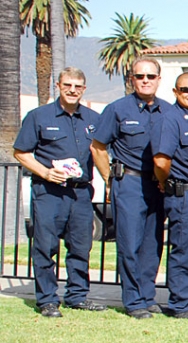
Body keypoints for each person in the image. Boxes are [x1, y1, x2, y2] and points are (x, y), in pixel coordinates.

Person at [14, 67, 106, 318]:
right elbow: (21, 152)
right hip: (49, 191)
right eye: (68, 85)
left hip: (81, 193)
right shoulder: (38, 116)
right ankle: (47, 300)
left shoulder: (93, 119)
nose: (72, 90)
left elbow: (100, 152)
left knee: (80, 246)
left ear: (84, 89)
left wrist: (109, 179)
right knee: (45, 246)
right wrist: (44, 172)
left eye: (77, 86)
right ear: (58, 85)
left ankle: (77, 296)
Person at [91, 57, 171, 319]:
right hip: (130, 183)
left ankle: (147, 296)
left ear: (159, 79)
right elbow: (98, 147)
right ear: (131, 79)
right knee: (129, 242)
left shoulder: (168, 111)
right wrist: (109, 179)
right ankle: (133, 300)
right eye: (140, 76)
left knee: (153, 243)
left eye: (150, 76)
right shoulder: (118, 109)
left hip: (158, 184)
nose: (145, 80)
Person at [152, 72, 188, 320]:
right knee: (185, 250)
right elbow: (161, 160)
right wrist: (165, 182)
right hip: (185, 193)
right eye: (187, 90)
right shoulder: (170, 119)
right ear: (176, 92)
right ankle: (179, 304)